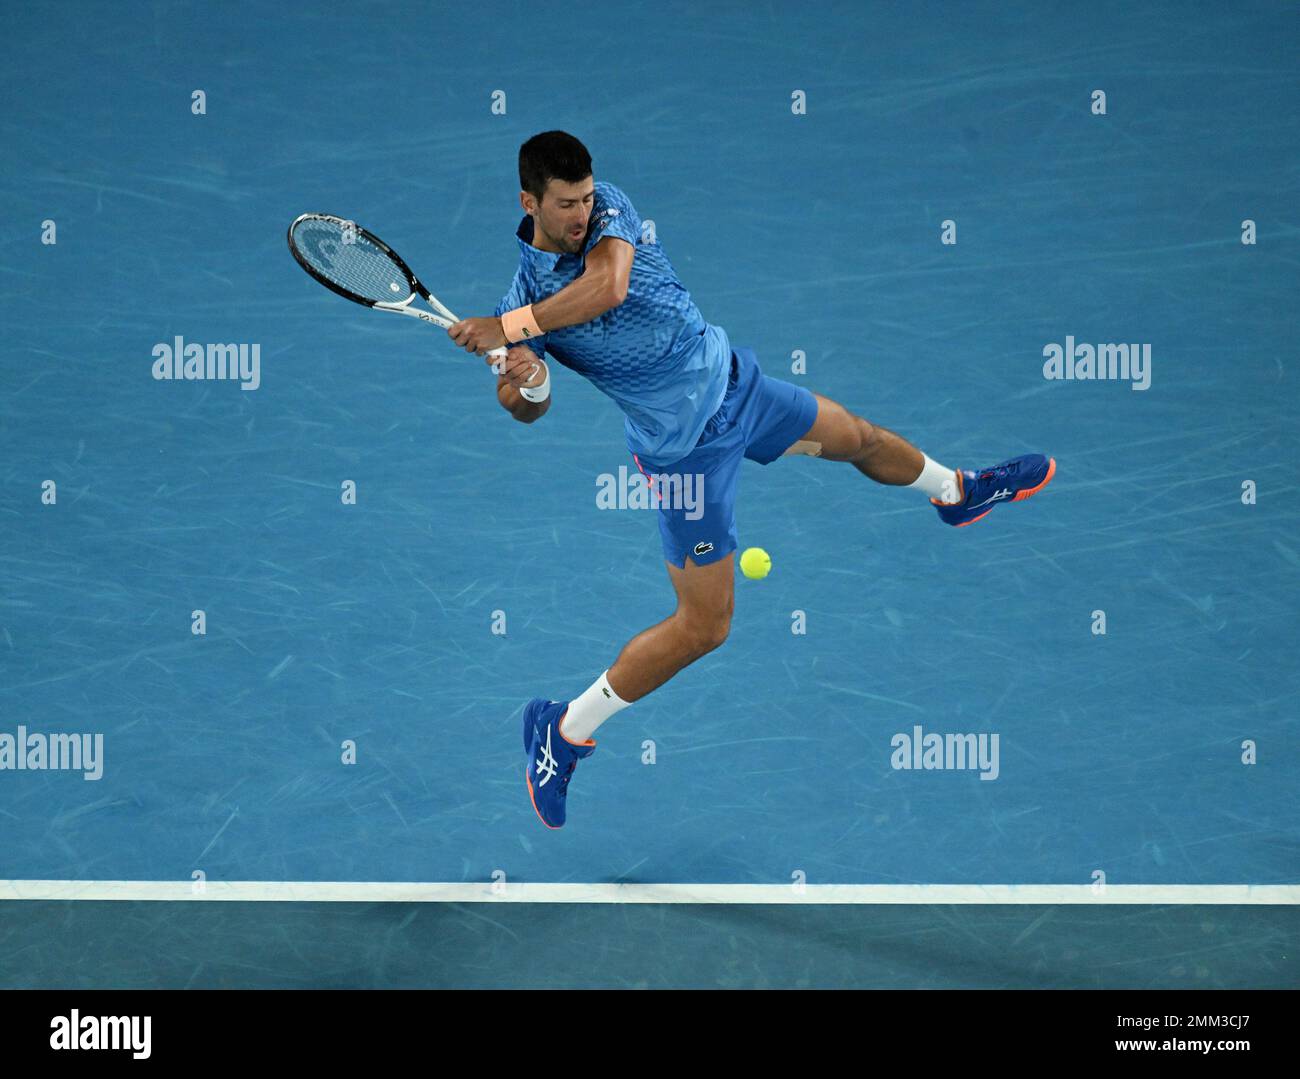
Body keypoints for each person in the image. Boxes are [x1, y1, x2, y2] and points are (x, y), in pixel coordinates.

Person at [447, 131, 1055, 829]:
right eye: (565, 205)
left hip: (739, 391)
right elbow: (525, 410)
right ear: (530, 202)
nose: (582, 212)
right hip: (685, 462)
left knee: (856, 436)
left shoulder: (601, 221)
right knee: (705, 627)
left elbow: (609, 287)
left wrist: (510, 326)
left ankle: (957, 491)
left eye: (586, 197)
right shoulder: (522, 297)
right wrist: (529, 374)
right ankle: (563, 730)